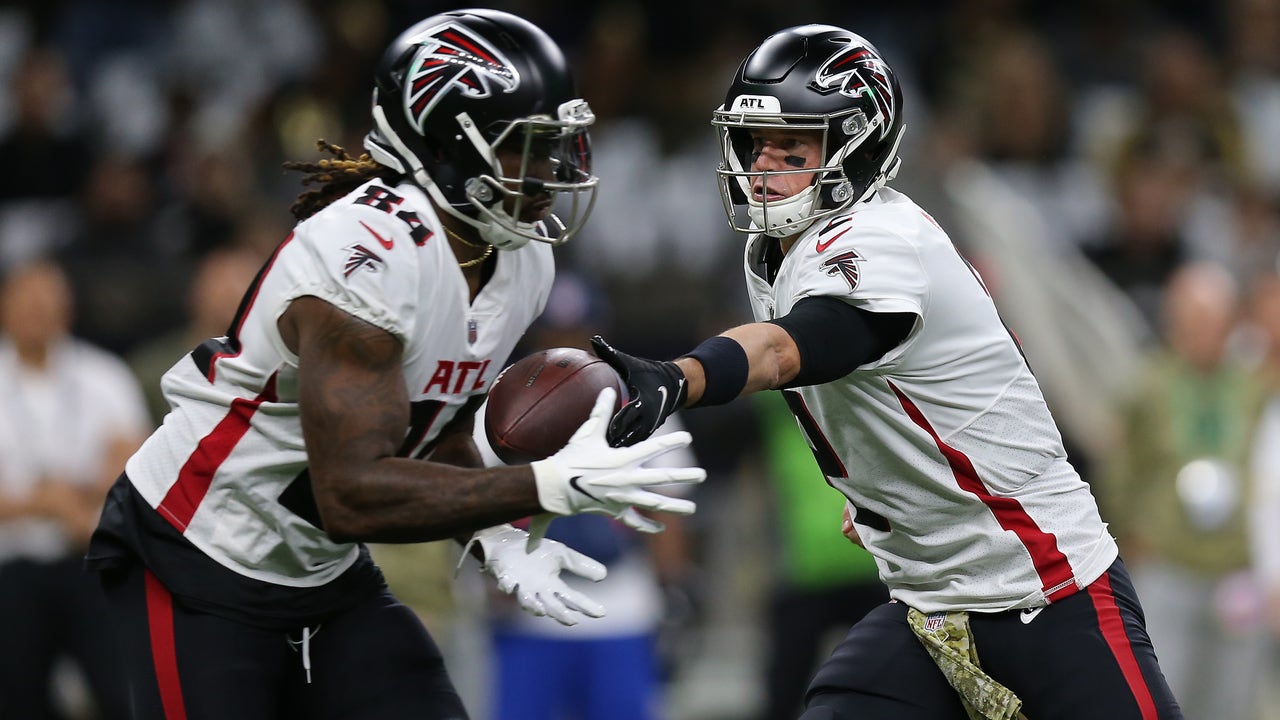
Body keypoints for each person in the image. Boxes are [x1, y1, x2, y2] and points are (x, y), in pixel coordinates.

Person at [83, 9, 703, 720]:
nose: (549, 173)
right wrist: (539, 486)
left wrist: (494, 535)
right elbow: (351, 492)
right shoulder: (370, 255)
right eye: (522, 148)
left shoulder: (522, 260)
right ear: (441, 143)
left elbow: (434, 427)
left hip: (317, 569)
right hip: (195, 554)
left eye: (556, 145)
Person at [589, 24, 1183, 719]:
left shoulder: (880, 236)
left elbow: (793, 347)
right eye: (757, 145)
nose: (763, 168)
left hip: (1044, 587)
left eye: (793, 148)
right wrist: (889, 483)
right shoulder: (774, 249)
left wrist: (681, 377)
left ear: (855, 146)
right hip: (928, 603)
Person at [1102, 261, 1265, 720]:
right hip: (1168, 564)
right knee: (1162, 695)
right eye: (1190, 320)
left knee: (1233, 698)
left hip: (1236, 570)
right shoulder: (1148, 386)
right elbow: (1119, 466)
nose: (1200, 333)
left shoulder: (1253, 389)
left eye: (1211, 321)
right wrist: (1131, 535)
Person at [0, 258, 149, 719]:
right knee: (19, 697)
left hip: (90, 559)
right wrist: (42, 502)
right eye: (29, 300)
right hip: (11, 568)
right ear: (6, 306)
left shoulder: (103, 375)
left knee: (121, 694)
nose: (41, 311)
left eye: (51, 300)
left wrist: (71, 501)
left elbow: (134, 467)